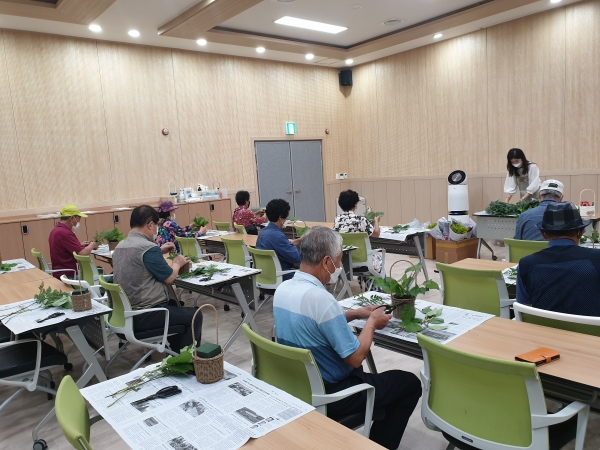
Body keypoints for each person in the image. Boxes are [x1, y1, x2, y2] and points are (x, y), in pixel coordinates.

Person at [273, 227, 421, 449]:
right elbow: (355, 358)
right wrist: (372, 322)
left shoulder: (283, 289)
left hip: (296, 383)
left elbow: (313, 323)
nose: (339, 267)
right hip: (333, 392)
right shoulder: (322, 299)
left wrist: (355, 314)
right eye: (338, 260)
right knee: (409, 384)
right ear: (326, 262)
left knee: (387, 386)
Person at [112, 205, 202, 353]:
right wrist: (177, 263)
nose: (156, 230)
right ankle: (186, 359)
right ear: (150, 225)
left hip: (123, 316)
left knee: (175, 305)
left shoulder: (120, 246)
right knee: (195, 315)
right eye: (156, 225)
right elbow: (169, 278)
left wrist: (159, 251)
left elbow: (137, 258)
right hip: (144, 315)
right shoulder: (148, 248)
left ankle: (176, 353)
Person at [516, 202, 600, 316]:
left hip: (543, 326)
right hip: (589, 327)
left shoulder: (526, 264)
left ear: (543, 234)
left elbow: (523, 304)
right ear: (580, 233)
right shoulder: (597, 259)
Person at [333, 190, 383, 274]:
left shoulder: (337, 220)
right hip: (363, 261)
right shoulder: (360, 220)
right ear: (355, 205)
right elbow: (376, 234)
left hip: (344, 261)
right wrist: (376, 221)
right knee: (378, 257)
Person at [48, 204, 98, 279]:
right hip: (68, 276)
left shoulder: (56, 230)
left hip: (60, 273)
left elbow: (64, 249)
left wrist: (79, 245)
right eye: (78, 219)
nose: (78, 222)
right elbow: (83, 254)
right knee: (106, 278)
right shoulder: (65, 233)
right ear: (71, 218)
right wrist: (93, 244)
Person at [256, 199, 302, 280]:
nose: (287, 218)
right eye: (286, 216)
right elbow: (297, 257)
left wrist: (297, 241)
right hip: (282, 275)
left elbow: (281, 246)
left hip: (266, 276)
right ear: (280, 218)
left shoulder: (262, 233)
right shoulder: (277, 236)